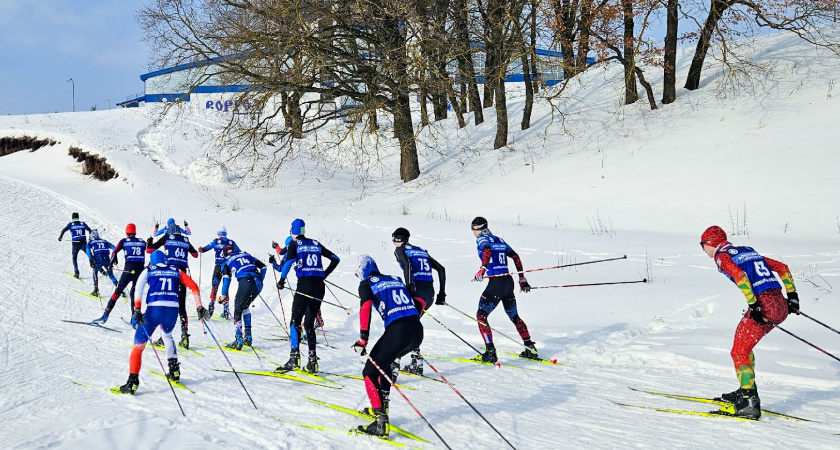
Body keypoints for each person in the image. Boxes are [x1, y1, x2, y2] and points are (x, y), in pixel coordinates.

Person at [700, 225, 800, 419]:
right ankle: (745, 389)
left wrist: (753, 305)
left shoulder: (722, 257)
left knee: (739, 351)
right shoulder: (746, 250)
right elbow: (783, 268)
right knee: (744, 347)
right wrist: (793, 297)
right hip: (779, 304)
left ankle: (749, 402)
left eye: (702, 245)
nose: (703, 250)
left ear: (710, 243)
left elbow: (741, 277)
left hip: (763, 306)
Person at [116, 250, 208, 395]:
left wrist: (137, 309)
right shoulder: (175, 270)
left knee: (138, 345)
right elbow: (194, 286)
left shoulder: (149, 270)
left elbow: (138, 288)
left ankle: (132, 381)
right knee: (167, 335)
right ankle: (174, 371)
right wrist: (199, 306)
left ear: (152, 260)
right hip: (172, 311)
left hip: (155, 310)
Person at [352, 255, 424, 437]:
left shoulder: (367, 283)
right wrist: (410, 317)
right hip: (416, 330)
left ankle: (380, 422)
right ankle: (383, 407)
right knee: (384, 366)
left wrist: (363, 339)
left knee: (369, 371)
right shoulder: (395, 279)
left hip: (398, 331)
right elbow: (421, 302)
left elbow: (366, 306)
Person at [274, 219, 340, 374]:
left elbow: (288, 262)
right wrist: (324, 274)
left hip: (304, 284)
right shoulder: (315, 243)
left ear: (293, 231)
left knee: (295, 321)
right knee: (309, 324)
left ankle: (294, 359)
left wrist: (282, 280)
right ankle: (312, 361)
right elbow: (336, 259)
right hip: (319, 287)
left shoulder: (294, 244)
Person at [470, 216, 536, 363]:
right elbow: (515, 257)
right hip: (508, 282)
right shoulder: (499, 239)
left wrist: (482, 268)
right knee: (514, 316)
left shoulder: (481, 239)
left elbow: (486, 250)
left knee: (481, 315)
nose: (473, 232)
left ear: (477, 229)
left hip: (496, 284)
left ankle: (490, 352)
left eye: (473, 229)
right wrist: (522, 279)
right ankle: (530, 346)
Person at [391, 227, 446, 375]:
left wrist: (409, 288)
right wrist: (442, 294)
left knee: (403, 325)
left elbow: (408, 266)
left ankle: (395, 363)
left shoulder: (400, 250)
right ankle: (416, 361)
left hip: (416, 292)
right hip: (430, 293)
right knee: (413, 325)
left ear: (396, 239)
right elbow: (441, 269)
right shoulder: (421, 250)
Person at [147, 222, 199, 348]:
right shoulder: (185, 239)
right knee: (182, 306)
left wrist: (149, 242)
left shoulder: (167, 237)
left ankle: (163, 337)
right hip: (183, 275)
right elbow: (196, 254)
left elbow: (150, 250)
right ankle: (185, 335)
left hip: (170, 274)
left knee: (167, 304)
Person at [92, 224, 146, 325]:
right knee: (134, 294)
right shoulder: (142, 241)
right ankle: (134, 319)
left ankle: (105, 315)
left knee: (117, 292)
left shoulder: (124, 241)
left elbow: (114, 252)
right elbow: (149, 250)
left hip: (128, 271)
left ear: (126, 232)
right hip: (140, 272)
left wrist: (113, 261)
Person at [217, 245, 267, 350]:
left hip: (246, 282)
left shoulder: (226, 261)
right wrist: (260, 280)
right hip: (258, 283)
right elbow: (263, 267)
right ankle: (248, 337)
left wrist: (223, 295)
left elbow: (226, 279)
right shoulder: (246, 254)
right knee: (245, 306)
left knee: (238, 308)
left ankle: (238, 340)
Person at [198, 225, 240, 319]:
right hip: (227, 267)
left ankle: (210, 309)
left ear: (219, 234)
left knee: (214, 287)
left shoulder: (215, 241)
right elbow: (238, 251)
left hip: (218, 267)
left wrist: (201, 249)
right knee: (225, 288)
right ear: (225, 234)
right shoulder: (231, 242)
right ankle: (226, 311)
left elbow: (205, 249)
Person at [58, 212, 92, 278]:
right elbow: (90, 230)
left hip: (75, 244)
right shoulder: (82, 223)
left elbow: (63, 230)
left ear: (72, 218)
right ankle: (100, 269)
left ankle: (76, 273)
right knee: (90, 256)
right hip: (83, 243)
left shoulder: (71, 224)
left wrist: (60, 237)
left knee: (74, 258)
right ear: (78, 217)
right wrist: (90, 238)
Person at [86, 230, 118, 297]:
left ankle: (96, 290)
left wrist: (90, 259)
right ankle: (119, 289)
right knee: (111, 275)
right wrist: (114, 257)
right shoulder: (104, 241)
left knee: (95, 273)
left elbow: (88, 249)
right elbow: (114, 247)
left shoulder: (91, 242)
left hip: (98, 259)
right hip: (107, 259)